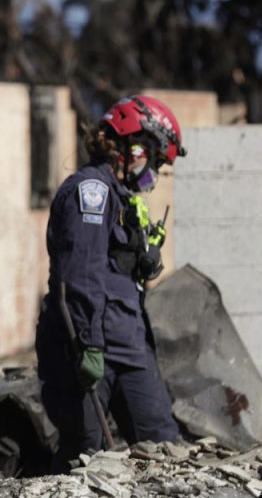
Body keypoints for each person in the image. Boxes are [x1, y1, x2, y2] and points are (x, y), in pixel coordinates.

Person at [35, 94, 185, 467]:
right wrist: (88, 345)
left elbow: (116, 273)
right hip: (90, 350)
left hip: (130, 347)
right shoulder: (91, 192)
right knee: (84, 458)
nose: (154, 172)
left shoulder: (123, 200)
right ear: (133, 146)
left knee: (164, 450)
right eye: (155, 159)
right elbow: (79, 274)